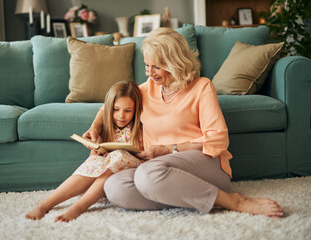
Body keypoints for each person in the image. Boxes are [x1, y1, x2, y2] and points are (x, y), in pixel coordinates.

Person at [83, 28, 284, 218]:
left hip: (204, 164)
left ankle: (232, 201)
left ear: (174, 61)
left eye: (156, 66)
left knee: (147, 175)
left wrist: (168, 149)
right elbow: (109, 105)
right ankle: (189, 196)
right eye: (147, 65)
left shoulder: (201, 87)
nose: (149, 73)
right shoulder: (147, 89)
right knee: (115, 188)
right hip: (158, 171)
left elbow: (218, 140)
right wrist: (95, 127)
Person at [26, 80, 144, 222]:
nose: (121, 116)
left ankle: (79, 207)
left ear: (135, 110)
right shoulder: (107, 125)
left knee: (118, 156)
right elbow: (105, 109)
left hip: (130, 166)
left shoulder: (139, 126)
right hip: (108, 164)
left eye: (128, 111)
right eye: (116, 109)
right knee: (95, 161)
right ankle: (45, 204)